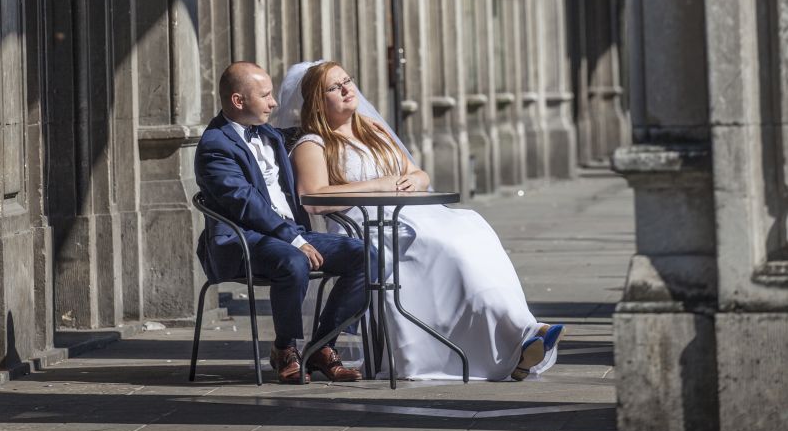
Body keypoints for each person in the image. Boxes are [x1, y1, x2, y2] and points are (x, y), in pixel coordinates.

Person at [283, 60, 563, 382]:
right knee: (447, 248)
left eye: (348, 81)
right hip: (367, 224)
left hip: (409, 212)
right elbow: (314, 198)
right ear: (318, 101)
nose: (348, 90)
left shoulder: (372, 129)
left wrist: (415, 180)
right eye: (335, 87)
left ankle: (518, 333)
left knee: (473, 230)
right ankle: (510, 340)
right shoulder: (314, 143)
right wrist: (377, 186)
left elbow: (416, 173)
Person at [194, 61, 368, 383]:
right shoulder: (215, 146)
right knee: (293, 261)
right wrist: (295, 239)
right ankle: (284, 349)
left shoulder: (268, 134)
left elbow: (312, 133)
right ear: (238, 101)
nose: (274, 103)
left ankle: (322, 345)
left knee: (366, 256)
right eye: (265, 95)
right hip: (243, 241)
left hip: (289, 234)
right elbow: (247, 205)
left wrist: (352, 122)